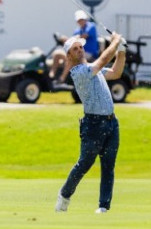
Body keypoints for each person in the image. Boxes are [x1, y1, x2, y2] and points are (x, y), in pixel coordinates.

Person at [49, 32, 126, 214]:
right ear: (69, 56)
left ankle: (103, 207)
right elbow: (102, 61)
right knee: (85, 163)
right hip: (93, 125)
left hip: (111, 123)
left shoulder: (92, 68)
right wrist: (114, 42)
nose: (80, 50)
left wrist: (121, 50)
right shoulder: (79, 72)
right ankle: (65, 194)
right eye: (75, 49)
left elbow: (116, 72)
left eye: (81, 47)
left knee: (108, 166)